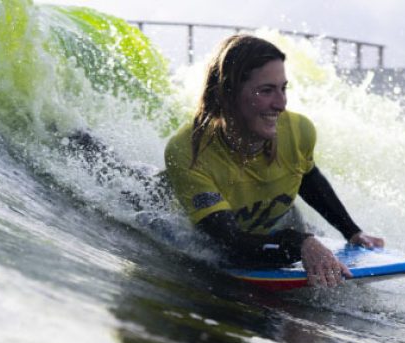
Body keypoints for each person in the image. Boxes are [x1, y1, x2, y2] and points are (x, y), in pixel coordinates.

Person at [164, 35, 384, 288]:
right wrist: (300, 243)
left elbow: (308, 177)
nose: (281, 104)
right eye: (266, 91)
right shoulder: (189, 153)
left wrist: (352, 231)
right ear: (228, 92)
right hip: (202, 229)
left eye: (283, 88)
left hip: (269, 220)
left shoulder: (299, 130)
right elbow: (229, 243)